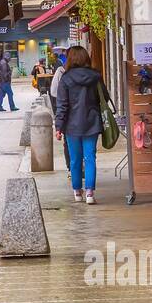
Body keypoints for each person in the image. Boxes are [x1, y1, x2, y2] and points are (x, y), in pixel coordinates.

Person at [53, 44, 105, 205]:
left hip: (72, 125)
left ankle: (77, 192)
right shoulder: (95, 76)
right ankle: (90, 192)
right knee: (90, 158)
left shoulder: (66, 79)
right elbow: (104, 98)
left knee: (75, 160)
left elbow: (62, 105)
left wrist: (59, 126)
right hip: (92, 122)